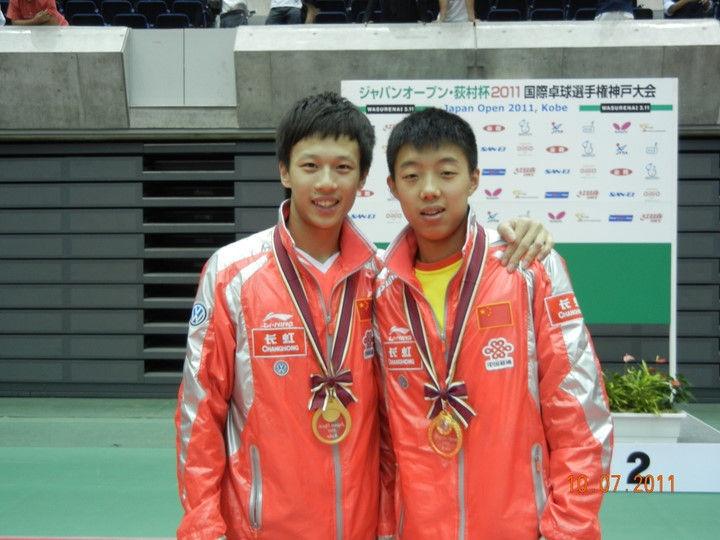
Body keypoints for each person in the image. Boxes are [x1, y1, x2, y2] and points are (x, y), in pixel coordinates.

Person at [175, 92, 553, 539]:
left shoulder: (382, 280)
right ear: (285, 171)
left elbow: (393, 429)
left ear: (363, 180)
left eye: (343, 168)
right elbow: (200, 412)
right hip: (261, 527)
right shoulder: (232, 274)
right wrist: (203, 528)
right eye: (310, 166)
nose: (326, 183)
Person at [373, 108, 613, 539]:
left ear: (474, 179)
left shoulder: (528, 269)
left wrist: (568, 531)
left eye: (447, 173)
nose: (429, 190)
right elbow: (384, 444)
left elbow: (580, 420)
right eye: (411, 176)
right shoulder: (380, 292)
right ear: (392, 187)